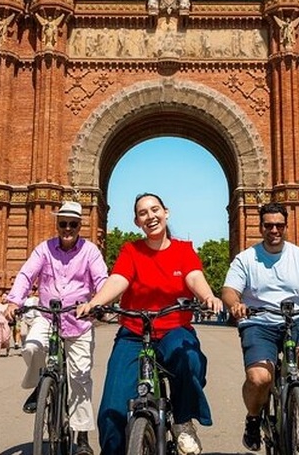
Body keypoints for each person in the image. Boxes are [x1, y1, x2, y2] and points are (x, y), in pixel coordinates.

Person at [77, 193, 223, 455]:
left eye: (155, 210)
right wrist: (95, 302)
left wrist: (207, 296)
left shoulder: (183, 249)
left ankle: (182, 421)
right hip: (134, 332)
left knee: (189, 358)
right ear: (137, 221)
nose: (150, 216)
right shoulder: (131, 250)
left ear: (166, 212)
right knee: (111, 410)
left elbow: (194, 277)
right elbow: (119, 278)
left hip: (174, 328)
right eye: (143, 213)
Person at [221, 202, 299, 453]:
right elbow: (229, 291)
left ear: (286, 226)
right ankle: (253, 419)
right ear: (261, 227)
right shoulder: (246, 259)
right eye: (269, 225)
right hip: (259, 321)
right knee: (259, 378)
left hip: (297, 319)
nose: (274, 230)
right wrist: (236, 305)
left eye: (279, 225)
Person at [6, 200, 108, 455]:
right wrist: (14, 301)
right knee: (31, 348)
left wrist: (97, 303)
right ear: (57, 224)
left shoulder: (90, 251)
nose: (67, 228)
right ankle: (42, 381)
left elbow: (102, 279)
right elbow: (27, 275)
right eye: (63, 223)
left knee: (80, 378)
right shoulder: (44, 249)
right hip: (47, 316)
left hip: (79, 321)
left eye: (72, 224)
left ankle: (82, 438)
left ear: (79, 225)